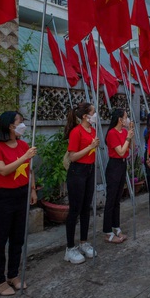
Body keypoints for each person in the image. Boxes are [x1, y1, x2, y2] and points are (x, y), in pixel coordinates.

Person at [0, 111, 37, 295]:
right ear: (10, 126)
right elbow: (3, 171)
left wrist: (32, 189)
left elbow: (30, 170)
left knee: (18, 238)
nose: (23, 125)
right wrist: (24, 157)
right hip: (4, 198)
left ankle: (13, 274)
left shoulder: (23, 145)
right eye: (20, 122)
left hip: (21, 194)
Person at [64, 102, 100, 264]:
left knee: (86, 208)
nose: (95, 115)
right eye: (93, 112)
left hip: (89, 171)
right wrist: (90, 147)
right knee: (75, 209)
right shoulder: (76, 132)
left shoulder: (93, 131)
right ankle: (70, 248)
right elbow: (72, 156)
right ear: (85, 116)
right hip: (77, 172)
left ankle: (83, 242)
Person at [103, 109, 133, 244]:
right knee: (111, 199)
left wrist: (130, 135)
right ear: (120, 120)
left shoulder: (125, 132)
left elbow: (129, 148)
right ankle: (107, 230)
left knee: (117, 199)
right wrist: (127, 138)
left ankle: (116, 226)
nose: (127, 120)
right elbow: (120, 151)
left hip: (122, 165)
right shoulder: (112, 133)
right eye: (125, 118)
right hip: (114, 165)